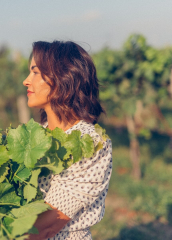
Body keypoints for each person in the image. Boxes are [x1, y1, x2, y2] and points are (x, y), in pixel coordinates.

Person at [22, 41, 113, 240]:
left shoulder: (91, 143)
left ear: (62, 77)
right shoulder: (34, 136)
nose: (26, 81)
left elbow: (46, 227)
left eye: (35, 72)